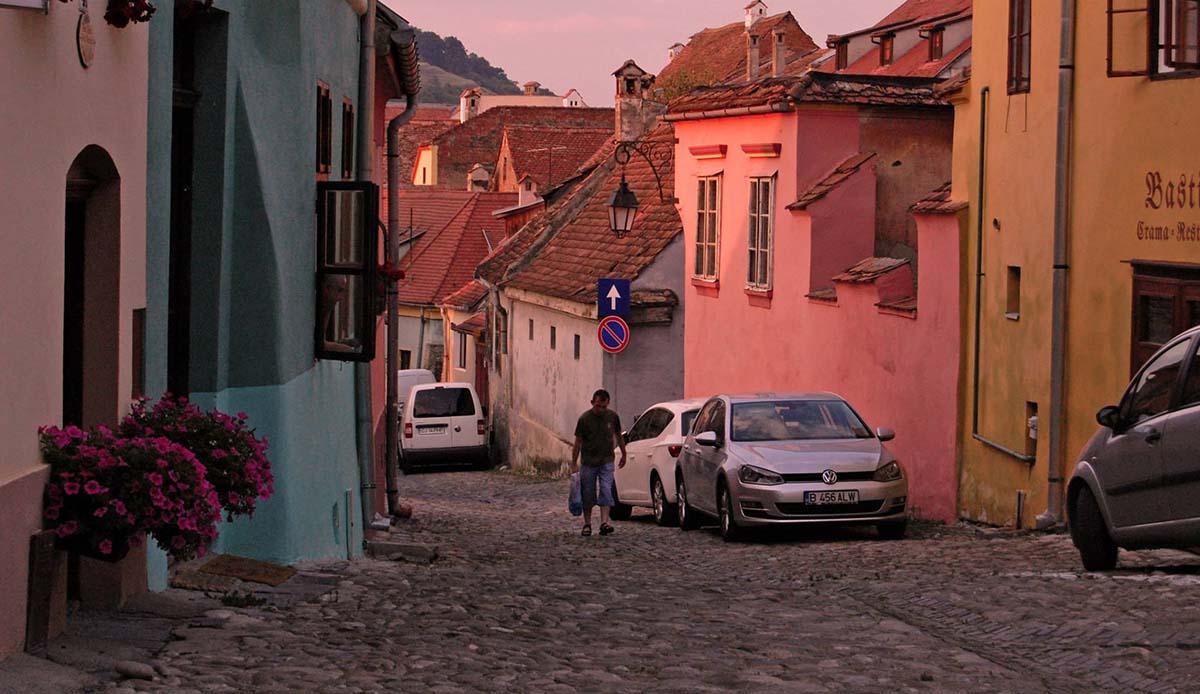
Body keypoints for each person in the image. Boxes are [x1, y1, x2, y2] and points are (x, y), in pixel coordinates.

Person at [570, 389, 626, 536]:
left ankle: (604, 523)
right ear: (592, 403)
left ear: (607, 404)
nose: (600, 409)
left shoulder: (612, 417)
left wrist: (624, 453)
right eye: (597, 406)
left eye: (603, 406)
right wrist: (573, 462)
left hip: (606, 461)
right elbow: (578, 442)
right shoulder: (584, 419)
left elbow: (618, 436)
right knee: (587, 493)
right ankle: (587, 524)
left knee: (606, 489)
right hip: (588, 462)